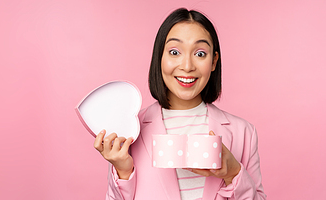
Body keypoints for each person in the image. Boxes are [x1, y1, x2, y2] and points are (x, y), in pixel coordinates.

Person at [93, 8, 266, 200]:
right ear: (160, 57)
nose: (187, 66)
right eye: (174, 52)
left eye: (200, 54)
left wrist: (233, 172)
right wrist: (123, 171)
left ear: (214, 61)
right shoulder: (131, 129)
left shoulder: (244, 133)